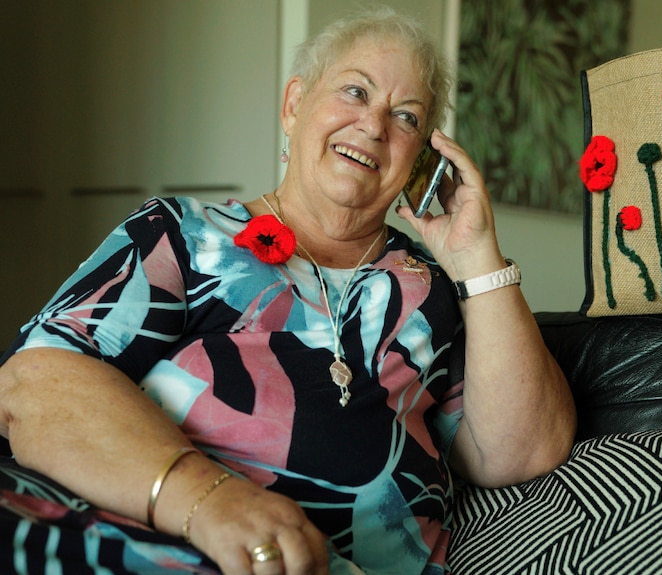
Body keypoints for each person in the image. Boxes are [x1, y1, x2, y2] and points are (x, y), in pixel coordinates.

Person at [0, 7, 575, 575]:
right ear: (295, 104)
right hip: (172, 544)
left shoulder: (432, 285)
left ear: (423, 159)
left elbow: (521, 453)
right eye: (355, 91)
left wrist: (477, 256)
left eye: (406, 117)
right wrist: (210, 500)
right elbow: (38, 381)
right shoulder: (182, 236)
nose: (374, 126)